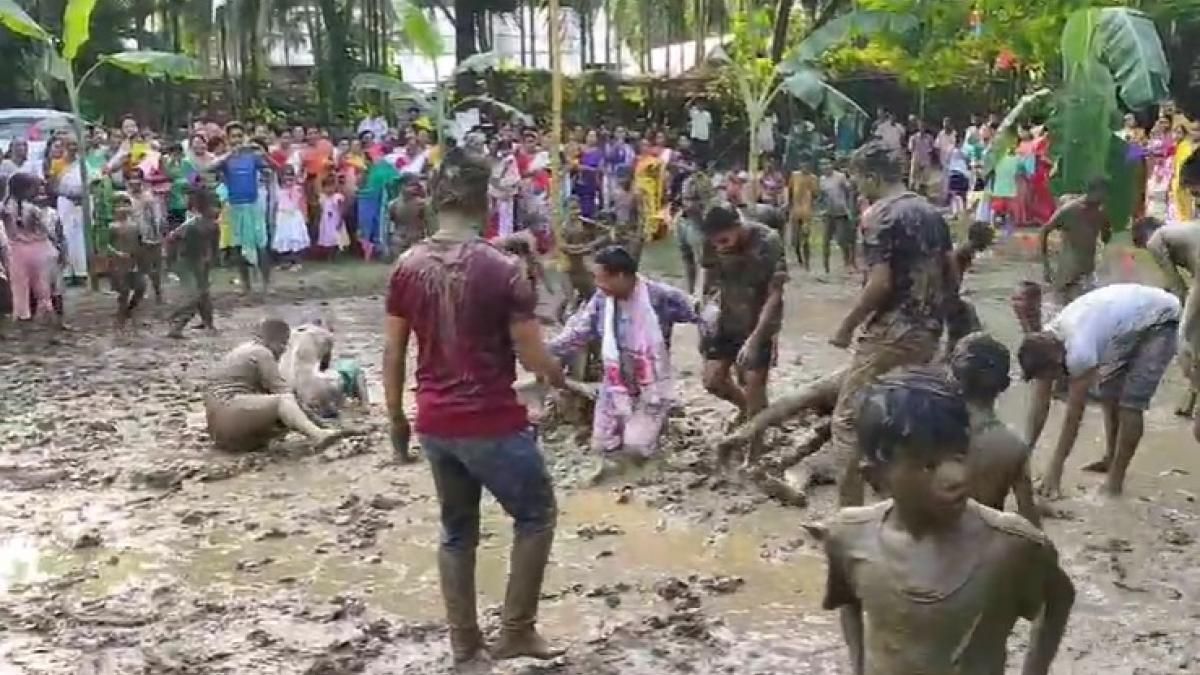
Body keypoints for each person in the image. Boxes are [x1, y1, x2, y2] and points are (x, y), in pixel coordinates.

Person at [383, 148, 566, 664]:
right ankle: (516, 630)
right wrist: (562, 380)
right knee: (536, 514)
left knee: (457, 531)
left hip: (434, 422)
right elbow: (532, 355)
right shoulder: (503, 269)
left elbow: (393, 352)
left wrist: (396, 418)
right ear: (483, 202)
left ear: (435, 201)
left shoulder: (406, 266)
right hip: (490, 420)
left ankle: (465, 648)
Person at [823, 369, 1074, 675]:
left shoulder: (1011, 546)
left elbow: (1059, 600)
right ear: (875, 477)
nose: (957, 477)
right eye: (928, 465)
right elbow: (848, 600)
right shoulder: (849, 536)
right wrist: (859, 665)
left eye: (959, 456)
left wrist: (1035, 670)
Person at [817, 141, 955, 506]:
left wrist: (846, 327)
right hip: (927, 330)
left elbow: (880, 284)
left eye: (858, 180)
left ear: (872, 177)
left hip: (890, 330)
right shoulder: (932, 212)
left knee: (847, 421)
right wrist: (947, 323)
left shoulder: (879, 215)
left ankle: (849, 515)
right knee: (903, 416)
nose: (857, 188)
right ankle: (908, 507)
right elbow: (951, 272)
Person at [549, 246, 699, 483]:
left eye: (602, 279)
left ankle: (648, 451)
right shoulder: (601, 300)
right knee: (602, 446)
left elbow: (701, 312)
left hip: (651, 384)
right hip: (615, 381)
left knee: (636, 449)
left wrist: (717, 348)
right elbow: (577, 334)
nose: (598, 285)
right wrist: (542, 350)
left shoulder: (660, 296)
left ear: (620, 276)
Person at [1020, 284, 1181, 498]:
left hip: (1162, 318)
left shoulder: (1079, 352)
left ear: (1058, 362)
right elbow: (1040, 404)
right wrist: (1023, 455)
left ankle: (1115, 482)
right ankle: (1111, 458)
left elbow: (1073, 417)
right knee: (1108, 391)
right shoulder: (1047, 342)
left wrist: (1055, 470)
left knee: (1131, 403)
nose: (1050, 382)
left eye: (1051, 376)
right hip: (1130, 318)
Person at [694, 204, 787, 465]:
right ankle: (749, 412)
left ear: (739, 226)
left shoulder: (767, 241)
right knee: (712, 380)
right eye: (715, 242)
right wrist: (704, 310)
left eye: (724, 240)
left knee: (753, 383)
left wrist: (756, 339)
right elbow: (708, 277)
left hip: (759, 320)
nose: (719, 246)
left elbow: (775, 295)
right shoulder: (712, 241)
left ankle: (754, 454)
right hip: (725, 317)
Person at [205, 318, 347, 451]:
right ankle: (318, 435)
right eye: (283, 344)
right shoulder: (262, 353)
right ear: (272, 340)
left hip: (219, 428)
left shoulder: (243, 350)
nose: (284, 350)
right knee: (283, 401)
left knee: (279, 406)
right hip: (230, 417)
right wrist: (320, 424)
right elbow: (287, 395)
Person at [949, 333, 1039, 525]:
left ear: (954, 378)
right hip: (985, 538)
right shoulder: (1012, 446)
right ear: (1005, 384)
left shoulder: (930, 429)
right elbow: (1031, 523)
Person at [212, 122, 272, 294]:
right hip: (235, 207)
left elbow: (274, 168)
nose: (237, 140)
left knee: (261, 246)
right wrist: (229, 154)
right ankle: (246, 286)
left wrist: (263, 155)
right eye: (233, 136)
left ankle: (266, 284)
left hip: (253, 205)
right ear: (228, 139)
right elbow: (208, 168)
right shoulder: (226, 159)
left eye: (240, 136)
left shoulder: (252, 156)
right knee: (238, 248)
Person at [1039, 178, 1111, 307]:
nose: (1105, 198)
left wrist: (1105, 228)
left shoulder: (1100, 212)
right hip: (1068, 274)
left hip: (1087, 272)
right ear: (1092, 192)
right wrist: (1046, 266)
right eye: (1103, 194)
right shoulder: (1070, 210)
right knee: (1064, 307)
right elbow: (1044, 231)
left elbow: (1105, 237)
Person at [2, 173, 57, 323]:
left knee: (19, 286)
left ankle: (22, 314)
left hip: (16, 250)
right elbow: (47, 229)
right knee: (42, 285)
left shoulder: (5, 207)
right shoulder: (32, 209)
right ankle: (45, 311)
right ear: (25, 189)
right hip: (39, 249)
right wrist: (57, 245)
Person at [166, 188, 219, 338]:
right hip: (189, 262)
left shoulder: (206, 224)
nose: (216, 210)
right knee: (196, 295)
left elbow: (213, 248)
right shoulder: (193, 225)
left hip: (197, 261)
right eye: (213, 206)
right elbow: (172, 240)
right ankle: (177, 325)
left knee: (203, 293)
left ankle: (208, 323)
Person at [106, 193, 147, 330]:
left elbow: (141, 243)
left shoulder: (135, 226)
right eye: (119, 206)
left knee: (140, 287)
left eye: (125, 205)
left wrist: (141, 258)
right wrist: (116, 253)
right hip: (119, 263)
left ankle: (130, 309)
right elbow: (106, 245)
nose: (122, 209)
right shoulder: (112, 227)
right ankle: (121, 319)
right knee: (123, 291)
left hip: (134, 260)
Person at [126, 168, 164, 303]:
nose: (134, 182)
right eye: (131, 178)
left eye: (137, 178)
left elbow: (156, 217)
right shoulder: (124, 198)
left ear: (142, 181)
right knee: (135, 268)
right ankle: (136, 294)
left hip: (149, 236)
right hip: (131, 237)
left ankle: (158, 293)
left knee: (153, 268)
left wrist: (157, 234)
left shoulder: (149, 197)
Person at [817, 158, 857, 274]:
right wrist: (821, 209)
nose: (825, 167)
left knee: (841, 239)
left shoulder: (840, 177)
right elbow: (822, 197)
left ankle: (847, 262)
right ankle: (825, 267)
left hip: (841, 212)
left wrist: (850, 208)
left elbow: (849, 192)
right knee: (825, 240)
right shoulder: (822, 180)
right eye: (823, 165)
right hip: (828, 212)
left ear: (832, 165)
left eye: (827, 164)